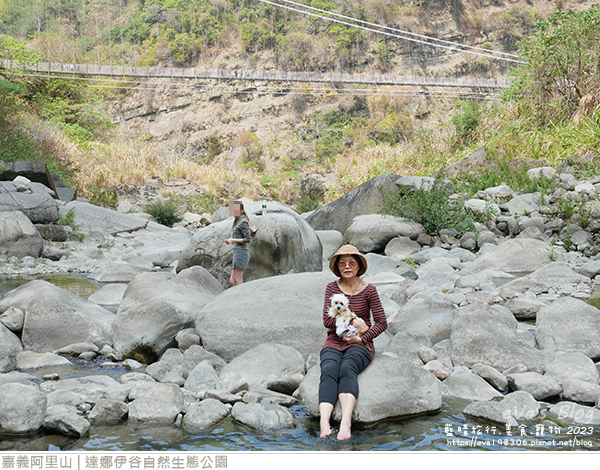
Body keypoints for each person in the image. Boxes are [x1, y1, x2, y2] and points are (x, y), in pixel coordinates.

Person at [319, 244, 387, 440]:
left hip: (360, 344)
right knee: (330, 368)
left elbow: (382, 323)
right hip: (334, 340)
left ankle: (345, 423)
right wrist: (353, 321)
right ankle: (324, 422)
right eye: (342, 263)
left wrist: (362, 336)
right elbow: (327, 320)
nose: (347, 266)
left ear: (358, 266)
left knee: (347, 367)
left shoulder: (370, 291)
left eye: (351, 263)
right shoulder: (332, 288)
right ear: (337, 267)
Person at [224, 200, 252, 286]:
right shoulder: (238, 221)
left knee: (238, 281)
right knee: (232, 282)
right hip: (237, 252)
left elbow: (248, 239)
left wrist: (232, 240)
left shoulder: (243, 221)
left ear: (242, 210)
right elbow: (244, 232)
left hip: (241, 253)